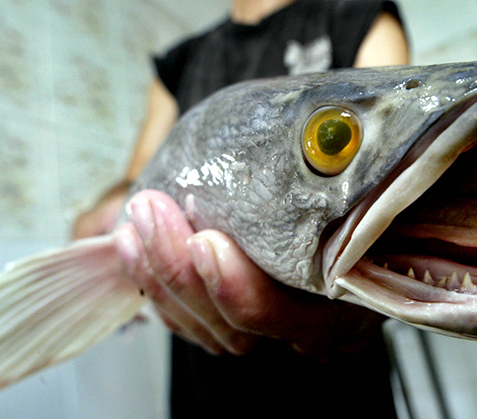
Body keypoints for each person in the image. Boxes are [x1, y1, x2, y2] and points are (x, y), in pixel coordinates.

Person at [74, 0, 409, 417]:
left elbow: (396, 165)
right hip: (205, 383)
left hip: (341, 387)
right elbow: (138, 180)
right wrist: (101, 224)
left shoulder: (358, 16)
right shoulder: (179, 63)